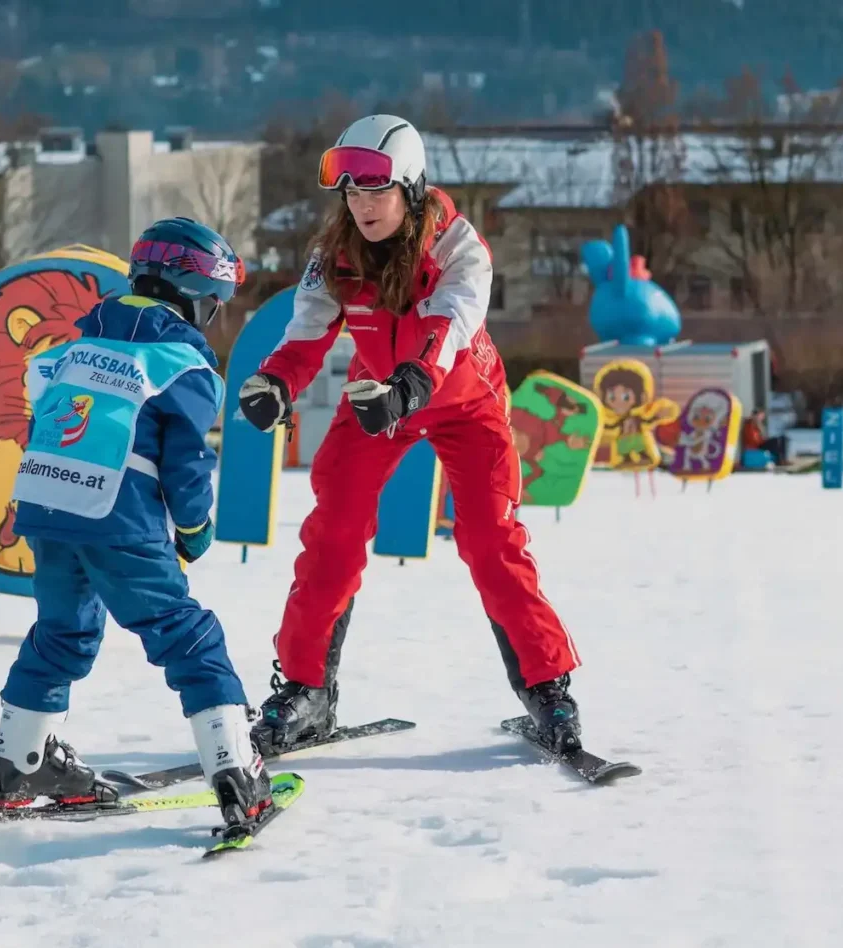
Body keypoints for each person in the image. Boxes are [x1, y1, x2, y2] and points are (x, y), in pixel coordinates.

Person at [237, 114, 583, 756]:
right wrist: (275, 384)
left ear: (412, 189)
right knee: (334, 529)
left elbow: (450, 327)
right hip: (377, 400)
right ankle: (306, 689)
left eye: (377, 190)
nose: (362, 205)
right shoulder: (332, 258)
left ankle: (548, 687)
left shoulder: (459, 247)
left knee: (489, 539)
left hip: (461, 399)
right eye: (352, 192)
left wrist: (410, 384)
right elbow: (306, 333)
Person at [0, 217, 272, 832]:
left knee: (62, 634)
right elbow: (187, 465)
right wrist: (195, 528)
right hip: (119, 518)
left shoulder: (70, 349)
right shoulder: (181, 364)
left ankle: (19, 764)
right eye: (215, 304)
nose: (214, 317)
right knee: (185, 633)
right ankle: (237, 769)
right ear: (191, 296)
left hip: (46, 508)